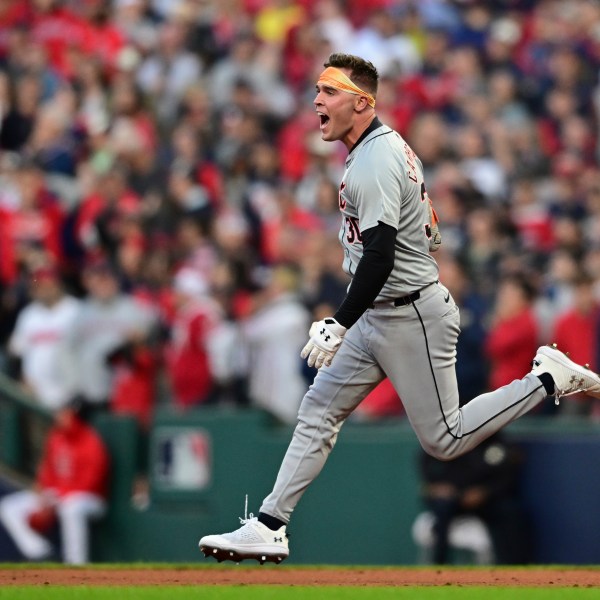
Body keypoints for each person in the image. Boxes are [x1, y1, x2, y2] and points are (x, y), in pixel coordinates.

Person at [198, 53, 600, 564]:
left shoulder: (375, 159)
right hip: (384, 311)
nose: (317, 100)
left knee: (445, 439)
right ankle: (270, 525)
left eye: (330, 91)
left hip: (411, 313)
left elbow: (382, 256)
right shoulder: (383, 149)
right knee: (319, 408)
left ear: (362, 103)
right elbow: (427, 233)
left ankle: (546, 378)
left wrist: (339, 321)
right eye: (318, 90)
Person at [0, 399, 110, 565]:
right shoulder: (56, 437)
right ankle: (40, 553)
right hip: (58, 494)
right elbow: (47, 472)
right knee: (8, 507)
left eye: (65, 413)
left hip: (89, 498)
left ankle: (76, 563)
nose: (60, 417)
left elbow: (92, 481)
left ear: (75, 415)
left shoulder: (90, 440)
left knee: (71, 508)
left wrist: (58, 499)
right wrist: (43, 494)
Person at [413, 430, 531, 565]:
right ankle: (439, 564)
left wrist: (485, 491)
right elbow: (426, 462)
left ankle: (513, 565)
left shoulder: (496, 441)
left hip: (485, 499)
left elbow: (507, 477)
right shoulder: (451, 437)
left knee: (510, 510)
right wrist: (434, 486)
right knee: (443, 508)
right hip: (454, 496)